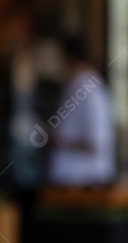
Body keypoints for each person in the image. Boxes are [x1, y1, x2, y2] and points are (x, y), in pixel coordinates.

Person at [44, 35, 116, 187]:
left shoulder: (90, 90)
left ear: (66, 58)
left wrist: (56, 140)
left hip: (83, 183)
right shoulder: (76, 85)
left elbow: (96, 142)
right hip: (69, 181)